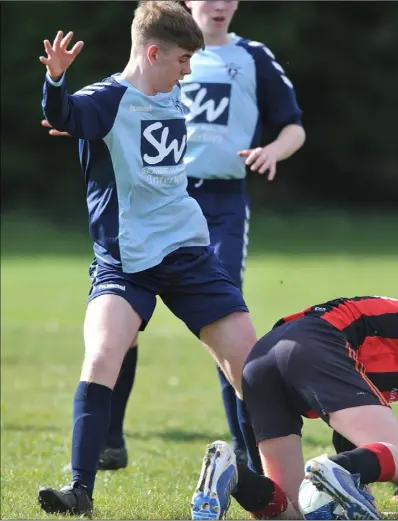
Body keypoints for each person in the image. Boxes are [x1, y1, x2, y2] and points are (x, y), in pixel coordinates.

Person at [42, 0, 306, 473]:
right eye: (183, 62)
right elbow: (89, 110)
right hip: (137, 229)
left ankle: (253, 457)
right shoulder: (140, 78)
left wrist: (271, 151)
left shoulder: (244, 60)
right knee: (113, 341)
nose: (222, 4)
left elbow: (292, 124)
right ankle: (106, 446)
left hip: (208, 217)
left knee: (238, 344)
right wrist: (72, 104)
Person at [191, 296, 398, 520]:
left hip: (263, 357)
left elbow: (354, 438)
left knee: (292, 511)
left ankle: (235, 475)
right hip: (314, 341)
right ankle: (334, 469)